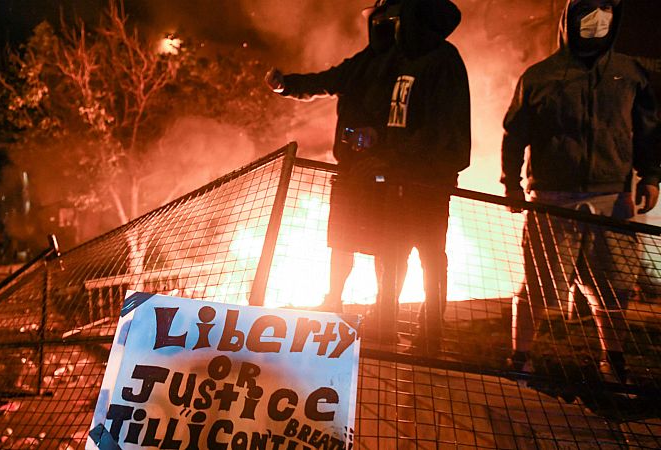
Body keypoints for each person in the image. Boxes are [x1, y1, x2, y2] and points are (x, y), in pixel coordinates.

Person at [266, 0, 470, 353]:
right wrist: (289, 85)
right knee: (389, 248)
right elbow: (332, 81)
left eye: (393, 18)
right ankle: (383, 323)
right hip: (391, 174)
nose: (384, 25)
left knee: (430, 254)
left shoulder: (441, 60)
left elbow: (440, 129)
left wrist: (388, 151)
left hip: (426, 179)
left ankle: (430, 334)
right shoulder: (391, 60)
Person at [501, 0, 661, 383]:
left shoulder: (628, 74)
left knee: (614, 287)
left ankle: (614, 363)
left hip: (614, 199)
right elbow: (515, 133)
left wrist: (650, 176)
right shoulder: (540, 77)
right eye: (588, 12)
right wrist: (511, 183)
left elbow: (648, 129)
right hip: (553, 199)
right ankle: (519, 358)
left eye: (604, 11)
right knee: (539, 286)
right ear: (569, 20)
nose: (596, 20)